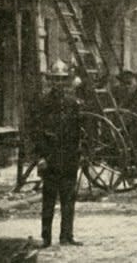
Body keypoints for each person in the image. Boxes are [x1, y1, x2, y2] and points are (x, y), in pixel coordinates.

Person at [36, 58, 83, 248]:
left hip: (69, 158)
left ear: (67, 81)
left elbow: (79, 131)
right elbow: (37, 131)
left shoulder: (73, 103)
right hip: (50, 158)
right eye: (55, 79)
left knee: (68, 200)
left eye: (63, 79)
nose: (59, 84)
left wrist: (80, 153)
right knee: (48, 201)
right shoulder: (43, 102)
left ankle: (66, 236)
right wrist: (40, 157)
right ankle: (45, 237)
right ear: (50, 81)